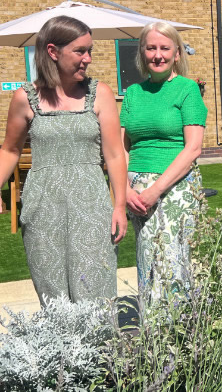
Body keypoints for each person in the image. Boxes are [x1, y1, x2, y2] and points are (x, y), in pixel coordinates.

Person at [0, 15, 127, 304]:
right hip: (43, 206)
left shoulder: (100, 94)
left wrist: (119, 206)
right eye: (80, 51)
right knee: (52, 293)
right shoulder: (25, 97)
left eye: (90, 50)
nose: (88, 58)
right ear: (53, 52)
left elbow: (115, 154)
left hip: (92, 206)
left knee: (95, 289)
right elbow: (9, 151)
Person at [120, 22, 207, 303]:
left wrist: (155, 190)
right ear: (142, 53)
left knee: (172, 260)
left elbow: (193, 149)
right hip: (135, 190)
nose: (158, 55)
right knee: (146, 257)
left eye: (165, 48)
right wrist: (125, 190)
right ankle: (151, 325)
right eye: (151, 48)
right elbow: (121, 147)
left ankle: (177, 325)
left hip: (175, 186)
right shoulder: (133, 93)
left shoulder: (187, 90)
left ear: (177, 54)